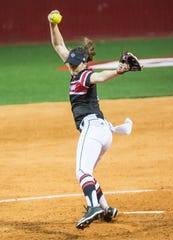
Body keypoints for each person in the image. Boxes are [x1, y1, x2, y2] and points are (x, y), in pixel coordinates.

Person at [48, 10, 133, 230]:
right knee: (89, 174)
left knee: (81, 172)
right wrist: (52, 24)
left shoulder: (86, 75)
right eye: (71, 63)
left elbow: (101, 77)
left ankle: (92, 206)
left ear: (84, 63)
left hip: (93, 129)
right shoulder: (76, 71)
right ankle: (106, 209)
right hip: (103, 132)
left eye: (75, 64)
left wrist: (119, 70)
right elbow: (58, 46)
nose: (71, 66)